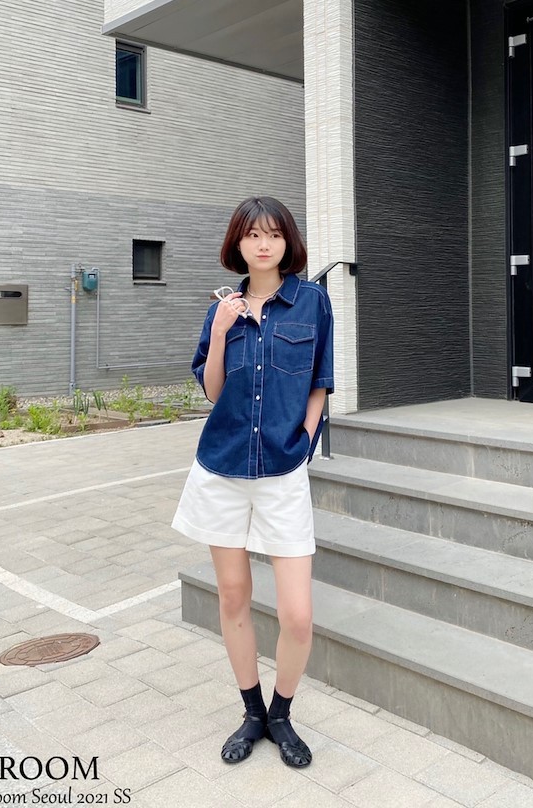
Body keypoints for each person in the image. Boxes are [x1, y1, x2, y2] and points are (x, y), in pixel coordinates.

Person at [171, 195, 334, 769]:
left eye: (274, 235)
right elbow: (213, 392)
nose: (264, 245)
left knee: (297, 615)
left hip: (282, 470)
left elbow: (320, 381)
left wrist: (305, 442)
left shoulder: (312, 301)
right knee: (234, 595)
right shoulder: (222, 309)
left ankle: (282, 714)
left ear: (288, 242)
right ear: (237, 243)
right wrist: (220, 332)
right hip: (222, 469)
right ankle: (252, 713)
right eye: (253, 235)